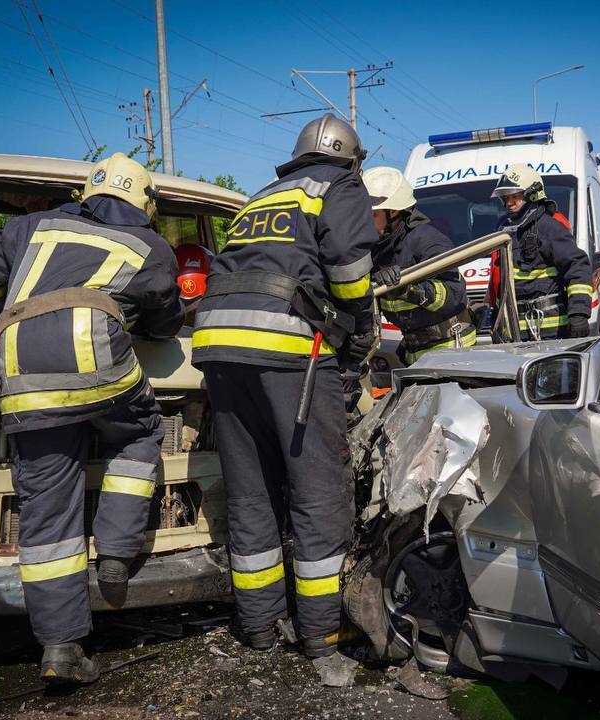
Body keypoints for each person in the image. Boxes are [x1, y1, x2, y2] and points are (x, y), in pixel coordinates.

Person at [0, 153, 185, 685]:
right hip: (101, 370)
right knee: (141, 434)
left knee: (47, 512)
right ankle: (117, 554)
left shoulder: (28, 227)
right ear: (144, 204)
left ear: (89, 193)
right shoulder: (150, 245)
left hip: (22, 375)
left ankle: (61, 649)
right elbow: (166, 319)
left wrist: (7, 303)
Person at [189, 113, 377, 681]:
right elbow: (348, 271)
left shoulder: (263, 195)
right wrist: (359, 331)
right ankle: (321, 639)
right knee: (317, 492)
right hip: (288, 350)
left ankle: (260, 628)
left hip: (218, 349)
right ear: (351, 158)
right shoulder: (338, 186)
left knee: (251, 493)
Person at [362, 166, 474, 364]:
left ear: (394, 211)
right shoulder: (377, 249)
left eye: (373, 215)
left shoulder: (427, 241)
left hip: (450, 349)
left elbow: (453, 296)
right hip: (413, 350)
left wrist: (407, 288)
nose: (366, 223)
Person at [490, 164, 594, 339]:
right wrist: (496, 317)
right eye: (506, 198)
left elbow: (578, 266)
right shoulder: (505, 230)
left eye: (515, 196)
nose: (509, 203)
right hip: (515, 331)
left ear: (532, 194)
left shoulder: (549, 227)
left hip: (550, 331)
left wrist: (578, 314)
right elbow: (502, 281)